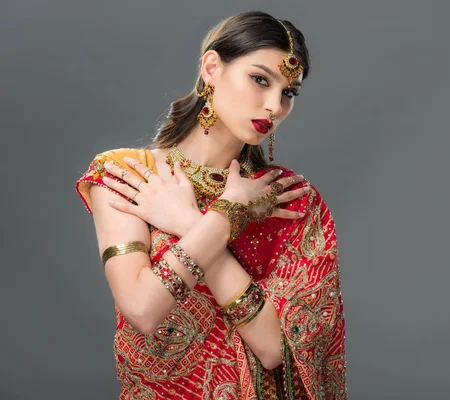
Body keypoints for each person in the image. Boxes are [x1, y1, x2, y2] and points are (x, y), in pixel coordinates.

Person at [75, 11, 346, 400]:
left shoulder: (287, 197)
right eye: (260, 80)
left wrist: (191, 219)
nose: (274, 105)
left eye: (288, 93)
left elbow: (273, 350)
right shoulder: (129, 174)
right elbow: (143, 308)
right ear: (212, 68)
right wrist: (227, 215)